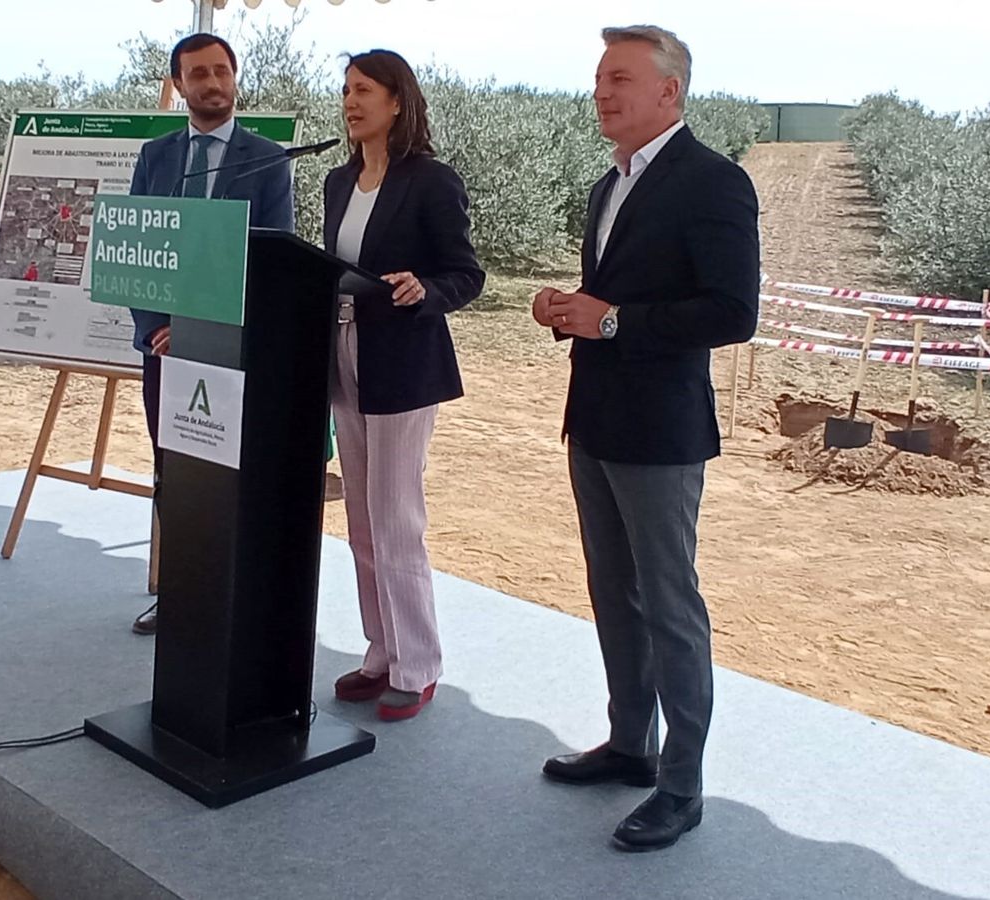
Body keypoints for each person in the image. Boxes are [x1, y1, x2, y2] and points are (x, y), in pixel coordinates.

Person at [532, 26, 759, 852]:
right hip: (592, 420)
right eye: (598, 79)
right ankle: (631, 745)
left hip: (661, 432)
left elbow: (735, 313)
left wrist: (614, 319)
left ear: (670, 90)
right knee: (611, 594)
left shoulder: (715, 183)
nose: (602, 92)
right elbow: (611, 302)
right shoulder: (609, 185)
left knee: (670, 605)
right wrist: (570, 309)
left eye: (619, 78)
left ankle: (682, 784)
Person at [323, 50, 484, 721]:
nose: (351, 101)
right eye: (346, 91)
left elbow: (466, 273)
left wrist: (427, 289)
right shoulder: (338, 181)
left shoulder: (431, 181)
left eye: (364, 90)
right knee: (361, 518)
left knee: (396, 520)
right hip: (343, 354)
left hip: (405, 363)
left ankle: (418, 665)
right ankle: (380, 652)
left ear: (397, 101)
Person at [128, 33, 295, 635]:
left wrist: (211, 329)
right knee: (174, 474)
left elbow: (274, 259)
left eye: (221, 71)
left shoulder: (270, 156)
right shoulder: (156, 156)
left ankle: (236, 603)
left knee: (234, 477)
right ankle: (178, 596)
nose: (213, 83)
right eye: (198, 73)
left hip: (234, 351)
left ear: (235, 77)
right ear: (180, 84)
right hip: (165, 350)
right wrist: (156, 329)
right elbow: (136, 248)